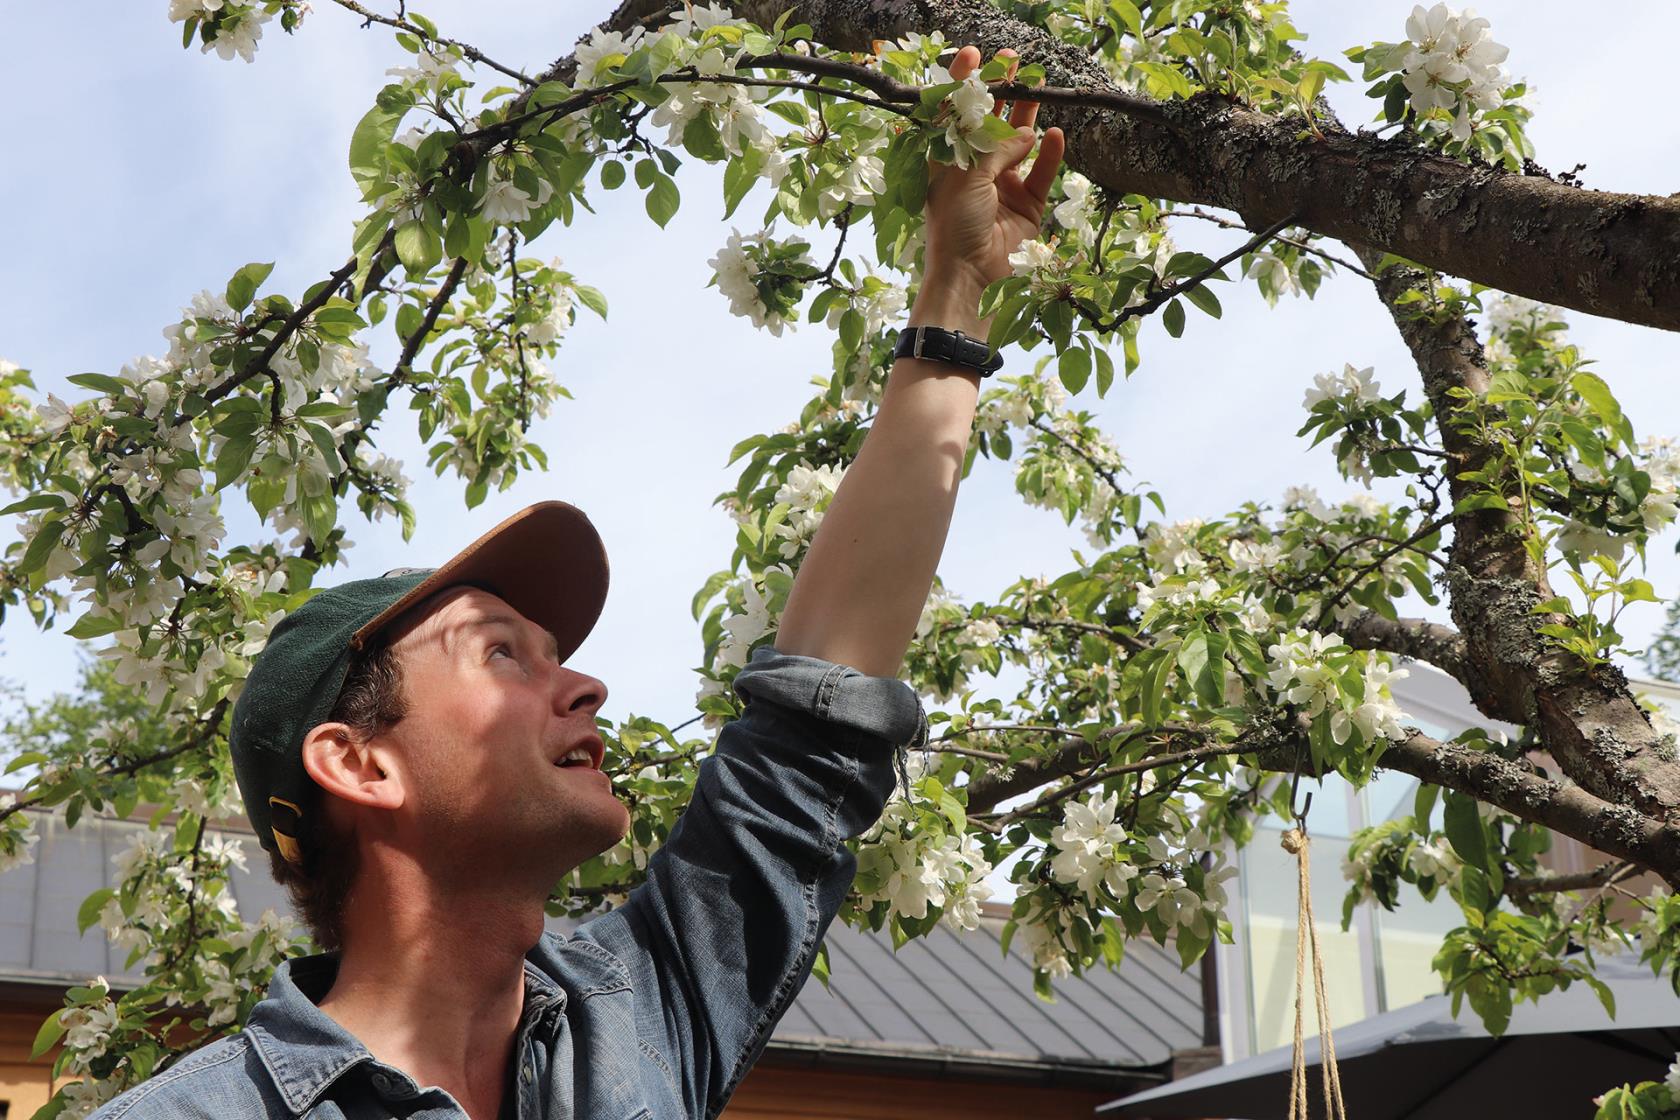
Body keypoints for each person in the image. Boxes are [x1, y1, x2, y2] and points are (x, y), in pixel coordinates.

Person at [91, 42, 1066, 1120]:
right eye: (504, 651)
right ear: (358, 762)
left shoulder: (634, 1014)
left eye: (558, 656)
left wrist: (956, 296)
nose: (586, 687)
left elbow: (815, 728)